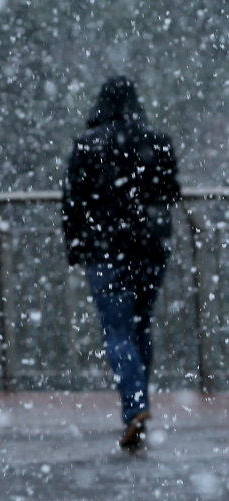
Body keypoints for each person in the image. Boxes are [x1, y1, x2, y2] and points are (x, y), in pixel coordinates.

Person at [62, 76, 180, 450]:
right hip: (150, 249)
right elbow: (170, 193)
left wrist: (75, 245)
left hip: (106, 250)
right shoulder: (158, 142)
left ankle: (135, 405)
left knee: (117, 332)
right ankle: (139, 400)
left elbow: (73, 201)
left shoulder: (88, 144)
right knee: (141, 325)